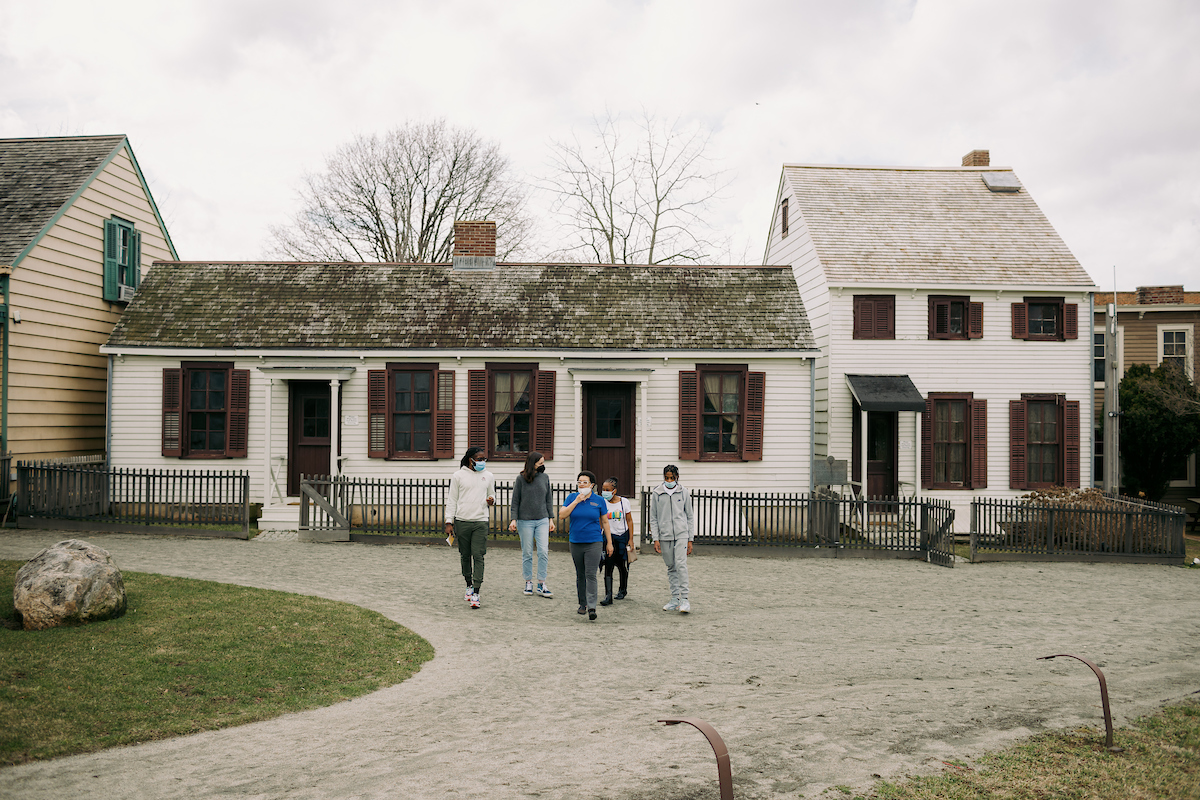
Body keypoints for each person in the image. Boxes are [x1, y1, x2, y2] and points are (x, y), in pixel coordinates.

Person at [445, 446, 495, 609]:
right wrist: (448, 521)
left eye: (484, 459)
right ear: (470, 459)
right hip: (462, 521)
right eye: (479, 459)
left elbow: (492, 494)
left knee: (478, 555)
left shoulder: (488, 476)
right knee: (465, 555)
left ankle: (476, 591)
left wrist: (491, 500)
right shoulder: (458, 476)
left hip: (481, 521)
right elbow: (452, 499)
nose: (482, 462)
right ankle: (468, 584)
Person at [560, 470, 613, 621]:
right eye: (579, 482)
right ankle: (582, 603)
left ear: (592, 485)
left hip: (594, 541)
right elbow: (562, 514)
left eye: (585, 482)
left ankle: (591, 606)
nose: (582, 485)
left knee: (591, 574)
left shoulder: (599, 500)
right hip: (576, 541)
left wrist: (609, 542)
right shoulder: (571, 497)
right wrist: (576, 501)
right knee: (580, 573)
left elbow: (604, 522)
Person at [507, 451, 555, 598]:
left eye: (543, 462)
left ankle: (541, 583)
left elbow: (549, 499)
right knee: (527, 552)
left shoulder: (545, 478)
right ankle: (528, 581)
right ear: (532, 463)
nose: (542, 465)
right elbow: (515, 500)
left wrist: (551, 519)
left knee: (543, 551)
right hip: (524, 521)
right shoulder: (520, 479)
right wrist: (513, 519)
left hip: (542, 519)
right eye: (539, 462)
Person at [648, 464, 695, 614]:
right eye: (667, 478)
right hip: (664, 536)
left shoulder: (684, 492)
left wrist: (690, 539)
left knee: (681, 564)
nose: (669, 480)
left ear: (677, 477)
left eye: (672, 478)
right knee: (671, 566)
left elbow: (689, 516)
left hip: (682, 534)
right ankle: (675, 599)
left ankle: (685, 600)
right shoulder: (656, 493)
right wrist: (656, 538)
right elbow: (653, 518)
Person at [599, 477, 634, 606]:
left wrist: (630, 539)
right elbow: (600, 521)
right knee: (608, 564)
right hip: (609, 537)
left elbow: (629, 520)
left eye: (607, 490)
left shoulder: (624, 502)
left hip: (622, 537)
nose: (605, 492)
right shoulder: (602, 502)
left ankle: (622, 589)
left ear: (614, 490)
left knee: (621, 565)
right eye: (603, 490)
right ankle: (608, 595)